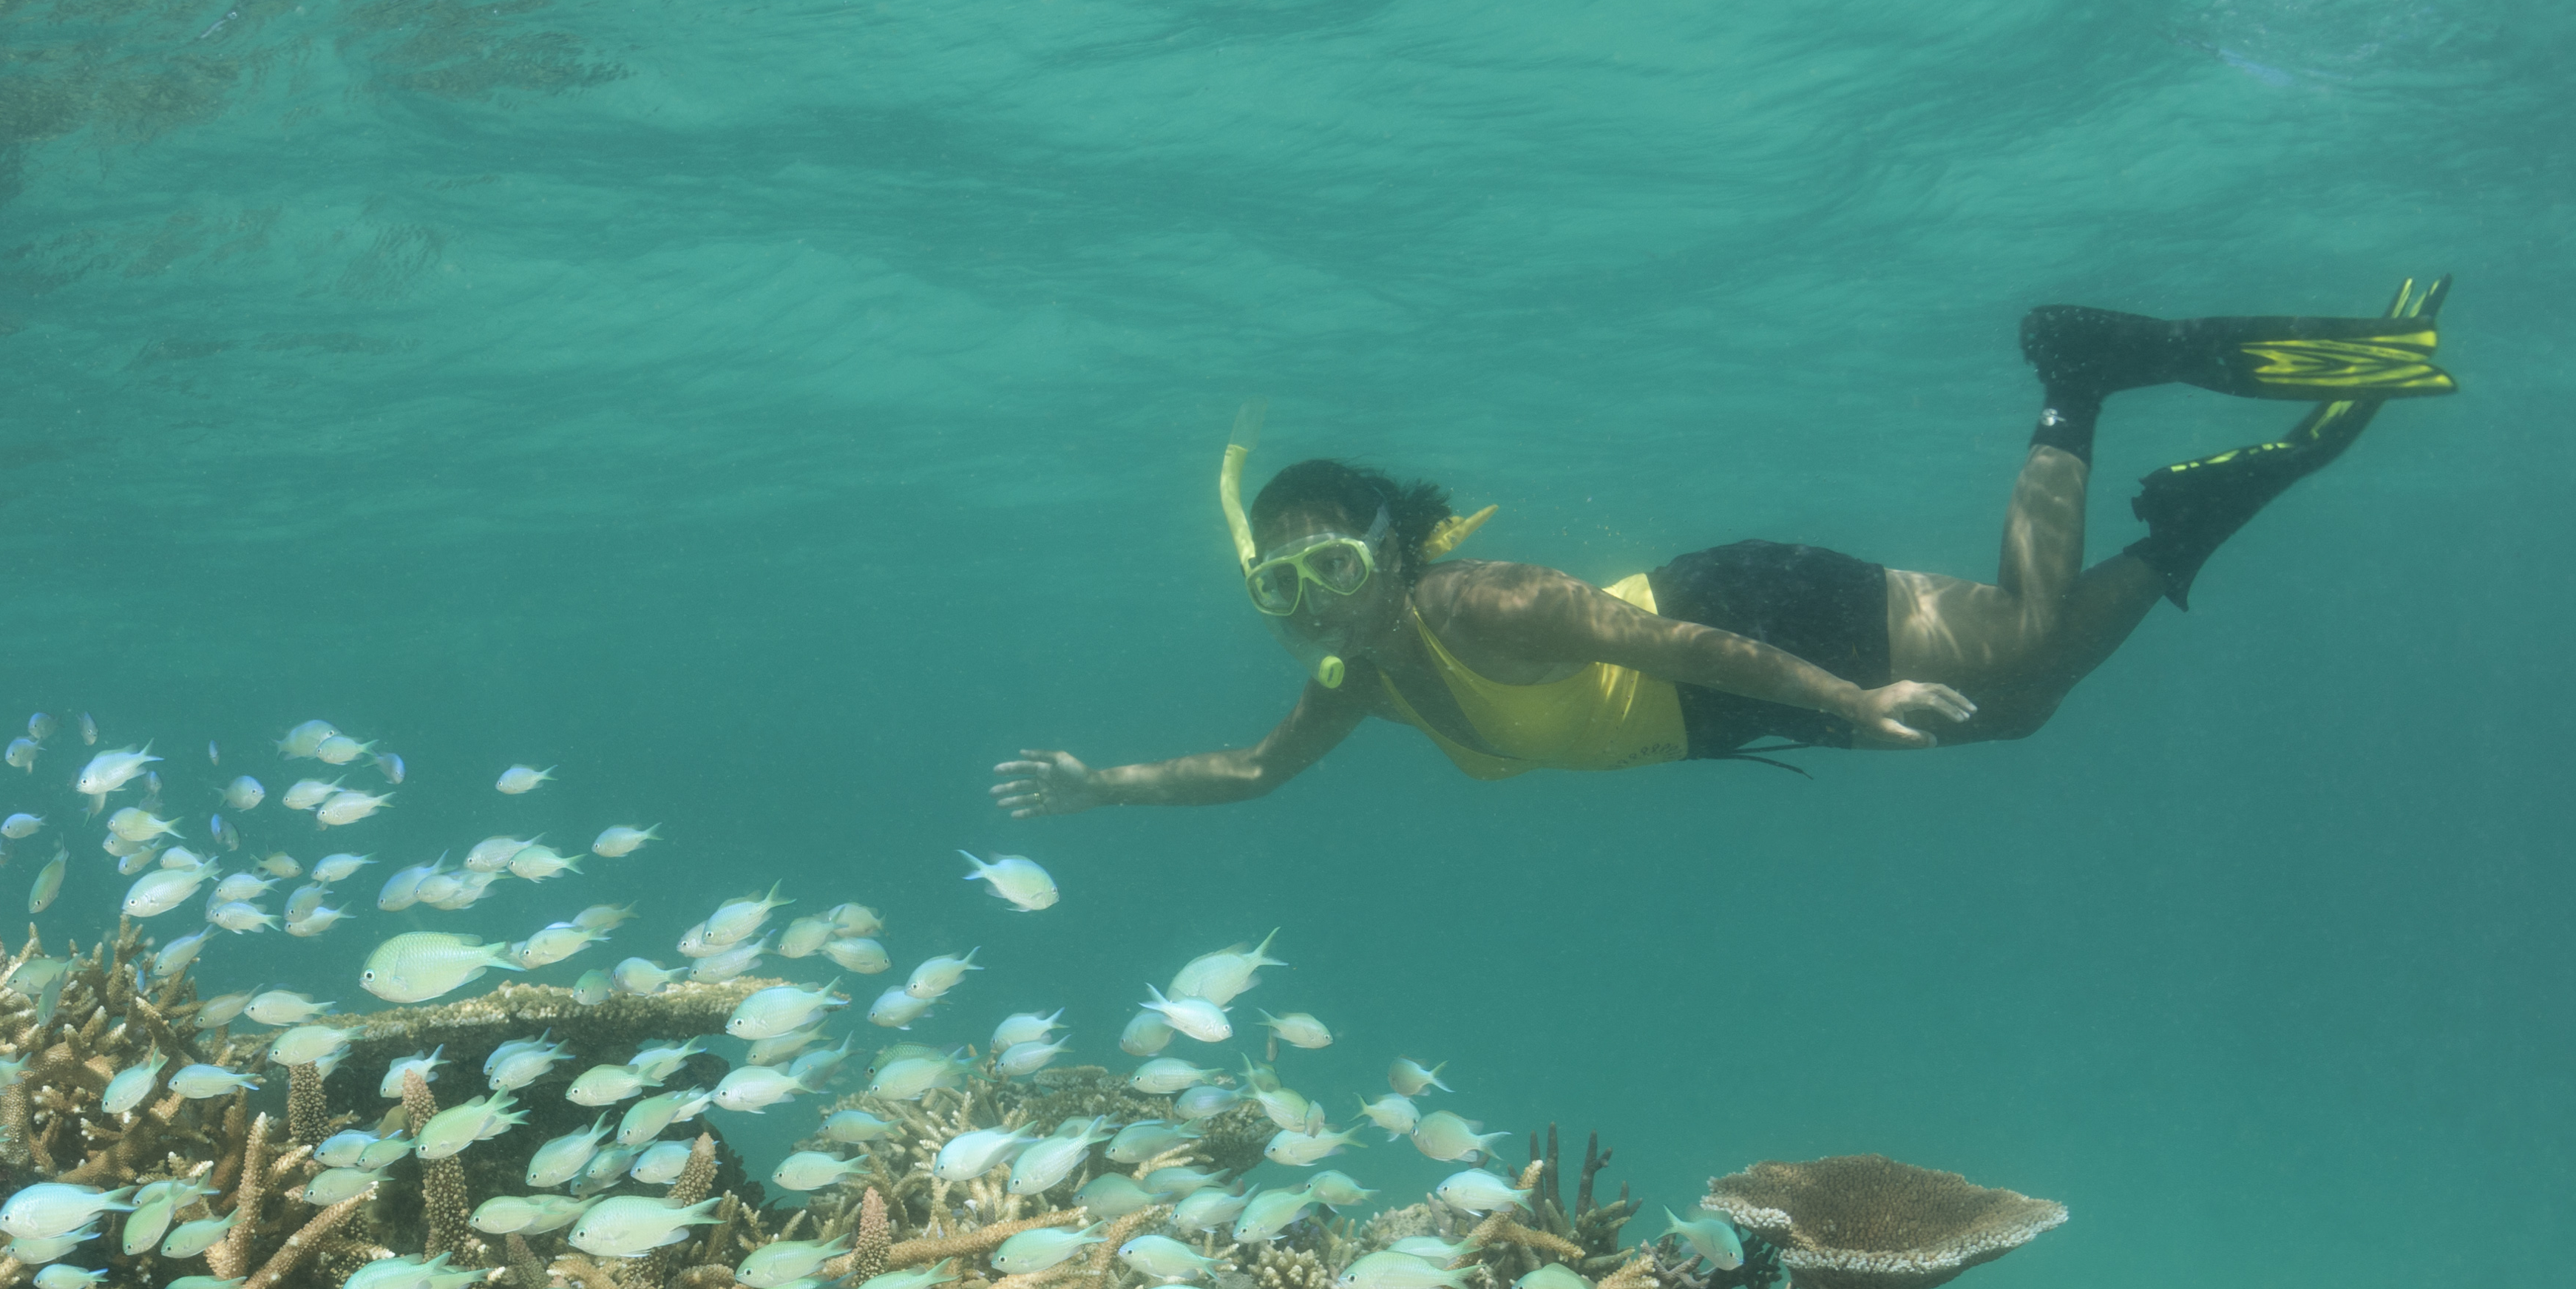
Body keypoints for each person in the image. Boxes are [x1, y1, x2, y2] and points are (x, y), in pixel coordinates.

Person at [990, 285, 2451, 814]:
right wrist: (1097, 783)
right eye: (1284, 580)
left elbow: (1670, 642)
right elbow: (1247, 768)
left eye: (1334, 561)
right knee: (2025, 702)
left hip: (1734, 612)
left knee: (2014, 646)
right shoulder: (1359, 681)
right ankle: (2192, 521)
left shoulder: (1479, 600)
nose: (1320, 597)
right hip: (1714, 721)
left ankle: (2079, 372)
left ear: (1391, 544)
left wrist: (1849, 698)